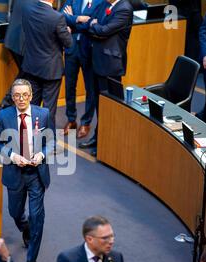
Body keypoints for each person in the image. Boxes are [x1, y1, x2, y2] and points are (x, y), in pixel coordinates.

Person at [0, 79, 54, 262]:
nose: (20, 99)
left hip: (36, 174)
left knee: (37, 217)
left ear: (31, 96)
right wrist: (12, 156)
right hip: (14, 173)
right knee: (15, 213)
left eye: (24, 95)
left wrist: (41, 155)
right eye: (16, 95)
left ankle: (31, 260)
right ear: (12, 96)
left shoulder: (43, 114)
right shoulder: (3, 115)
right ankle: (25, 229)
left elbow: (53, 141)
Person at [78, 0, 133, 156]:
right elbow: (92, 23)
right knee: (98, 103)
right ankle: (98, 136)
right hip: (97, 61)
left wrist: (95, 27)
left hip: (110, 65)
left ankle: (107, 143)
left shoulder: (124, 8)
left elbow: (103, 31)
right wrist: (94, 26)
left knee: (109, 107)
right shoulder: (104, 5)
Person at [21, 0, 73, 131]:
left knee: (32, 107)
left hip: (32, 66)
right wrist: (67, 31)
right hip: (51, 71)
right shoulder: (57, 17)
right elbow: (68, 43)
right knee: (48, 110)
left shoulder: (26, 8)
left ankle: (30, 142)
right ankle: (47, 145)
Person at [61, 0, 101, 139]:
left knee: (90, 88)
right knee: (69, 86)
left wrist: (73, 23)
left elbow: (95, 23)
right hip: (71, 49)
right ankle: (71, 119)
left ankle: (86, 122)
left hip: (88, 50)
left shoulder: (101, 2)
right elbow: (62, 16)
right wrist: (77, 19)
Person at [0, 0, 38, 109]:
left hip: (13, 38)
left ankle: (8, 104)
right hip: (23, 43)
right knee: (27, 73)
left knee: (25, 73)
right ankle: (6, 103)